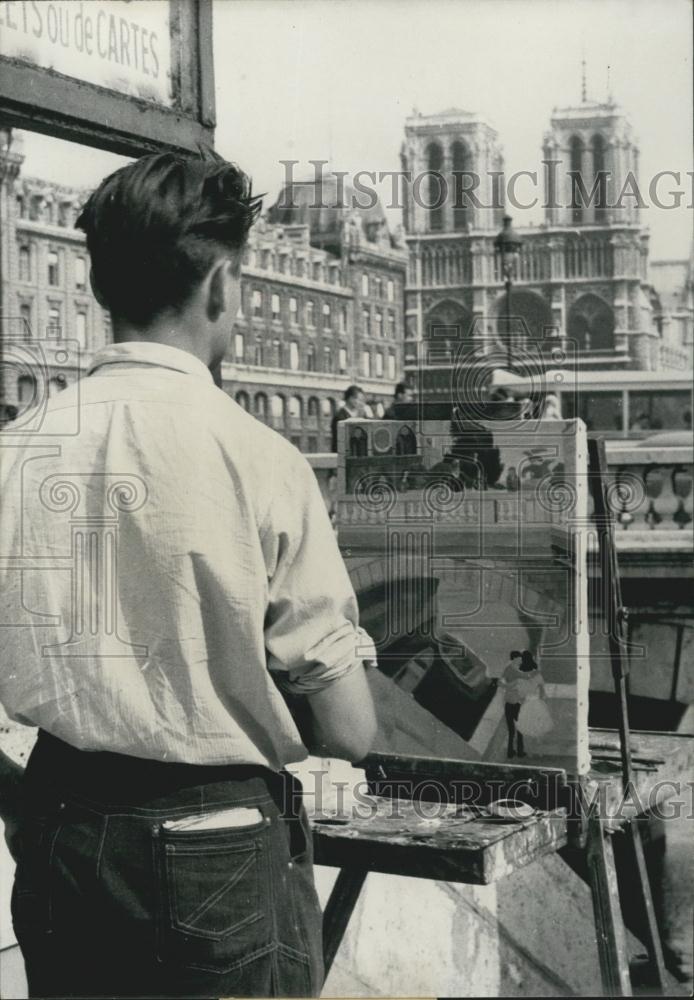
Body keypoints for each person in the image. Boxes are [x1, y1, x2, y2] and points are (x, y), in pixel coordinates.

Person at [0, 149, 377, 999]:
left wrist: (19, 802)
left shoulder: (15, 451)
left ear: (100, 288)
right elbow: (349, 730)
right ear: (219, 287)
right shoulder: (262, 459)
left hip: (61, 828)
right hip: (217, 847)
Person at [500, 649, 546, 758]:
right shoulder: (518, 672)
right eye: (519, 659)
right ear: (516, 659)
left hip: (508, 702)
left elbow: (500, 682)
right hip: (518, 703)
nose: (520, 661)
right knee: (519, 729)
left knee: (511, 729)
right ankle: (520, 751)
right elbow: (529, 676)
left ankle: (510, 752)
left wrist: (507, 686)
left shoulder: (508, 669)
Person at [330, 384, 366, 451]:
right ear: (350, 398)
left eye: (362, 400)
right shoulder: (339, 417)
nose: (360, 403)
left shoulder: (362, 415)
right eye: (359, 399)